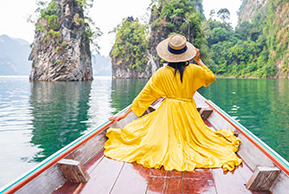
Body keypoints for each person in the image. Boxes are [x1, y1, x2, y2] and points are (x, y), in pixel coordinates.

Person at [104, 34, 242, 172]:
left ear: (168, 54)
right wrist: (199, 61)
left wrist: (123, 114)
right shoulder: (195, 70)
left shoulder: (161, 73)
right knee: (201, 140)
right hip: (189, 114)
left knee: (143, 137)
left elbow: (144, 96)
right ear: (186, 53)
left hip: (167, 113)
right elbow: (211, 77)